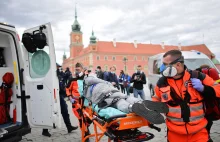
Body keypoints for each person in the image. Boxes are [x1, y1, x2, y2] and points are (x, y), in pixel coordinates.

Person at [152, 50, 220, 142]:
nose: (162, 67)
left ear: (178, 65)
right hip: (174, 135)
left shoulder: (198, 76)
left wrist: (204, 88)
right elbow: (156, 99)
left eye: (165, 64)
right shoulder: (162, 82)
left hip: (199, 134)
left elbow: (218, 89)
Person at [83, 75, 167, 125]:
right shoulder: (96, 83)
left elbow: (92, 102)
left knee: (120, 103)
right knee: (126, 98)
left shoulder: (86, 85)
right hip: (113, 91)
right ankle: (142, 103)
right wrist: (108, 83)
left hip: (105, 96)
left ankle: (132, 107)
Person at [42, 63, 78, 137]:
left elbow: (63, 81)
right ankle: (45, 130)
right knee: (50, 112)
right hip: (50, 95)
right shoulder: (48, 74)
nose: (58, 68)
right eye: (57, 67)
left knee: (64, 109)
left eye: (58, 67)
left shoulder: (58, 73)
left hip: (58, 94)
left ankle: (69, 127)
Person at [196, 64, 220, 142]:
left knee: (205, 126)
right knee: (207, 124)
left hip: (203, 108)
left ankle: (207, 137)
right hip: (210, 106)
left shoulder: (196, 75)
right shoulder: (213, 72)